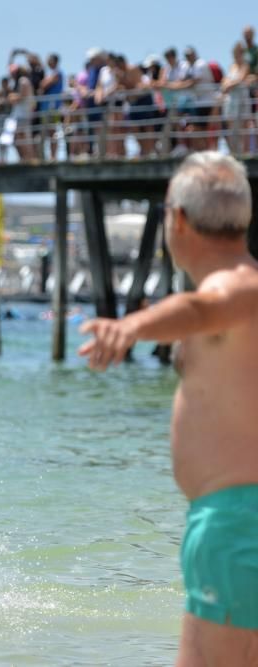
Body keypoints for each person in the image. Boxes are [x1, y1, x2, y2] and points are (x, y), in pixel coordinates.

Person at [77, 152, 258, 662]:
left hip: (236, 522)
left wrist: (130, 327)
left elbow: (202, 307)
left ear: (176, 219)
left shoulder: (238, 287)